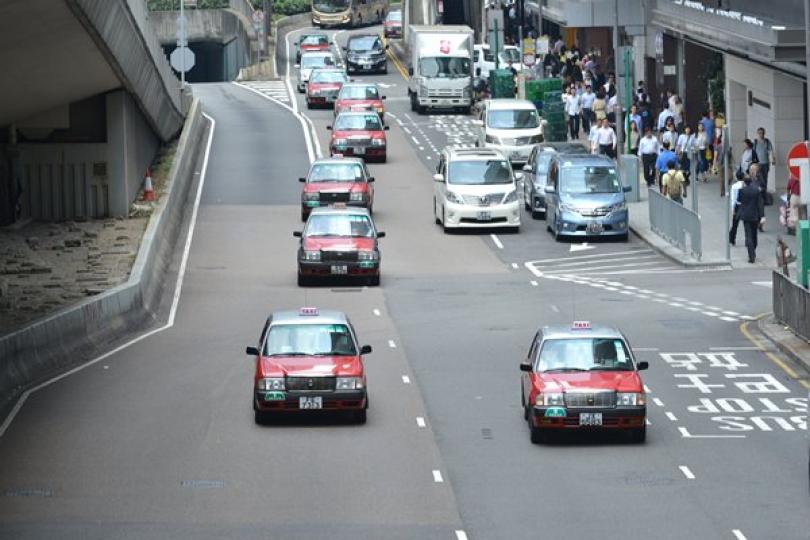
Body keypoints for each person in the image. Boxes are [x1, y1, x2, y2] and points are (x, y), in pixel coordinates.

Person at [737, 173, 766, 263]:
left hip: (746, 215)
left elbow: (739, 200)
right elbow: (760, 204)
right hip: (755, 216)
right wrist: (762, 216)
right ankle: (753, 248)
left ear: (744, 182)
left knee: (748, 235)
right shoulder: (756, 191)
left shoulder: (742, 191)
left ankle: (751, 255)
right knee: (754, 234)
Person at [753, 127, 775, 202]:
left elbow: (771, 151)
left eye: (762, 133)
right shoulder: (755, 142)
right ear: (757, 133)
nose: (761, 134)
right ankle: (758, 196)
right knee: (757, 180)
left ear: (764, 133)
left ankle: (764, 196)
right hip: (758, 164)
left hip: (765, 164)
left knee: (765, 180)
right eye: (759, 133)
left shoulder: (767, 141)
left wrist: (773, 159)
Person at [728, 169, 745, 246]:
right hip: (745, 205)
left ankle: (732, 239)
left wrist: (733, 209)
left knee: (735, 224)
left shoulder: (734, 186)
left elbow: (733, 199)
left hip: (737, 206)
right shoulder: (746, 185)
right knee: (746, 224)